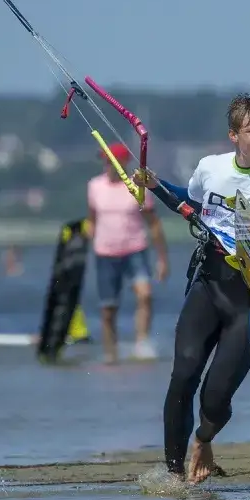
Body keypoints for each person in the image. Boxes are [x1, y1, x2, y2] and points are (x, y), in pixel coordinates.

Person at [134, 94, 250, 485]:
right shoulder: (210, 169)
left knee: (215, 398)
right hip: (208, 285)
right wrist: (154, 184)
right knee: (183, 375)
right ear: (233, 135)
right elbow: (191, 203)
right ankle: (173, 474)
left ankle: (203, 440)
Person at [86, 142, 169, 364]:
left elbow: (154, 224)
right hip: (105, 252)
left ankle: (142, 343)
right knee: (108, 308)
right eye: (105, 160)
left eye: (112, 160)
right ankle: (110, 354)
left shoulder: (137, 188)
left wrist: (162, 260)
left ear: (123, 162)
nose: (107, 164)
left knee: (145, 294)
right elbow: (92, 220)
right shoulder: (95, 186)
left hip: (135, 249)